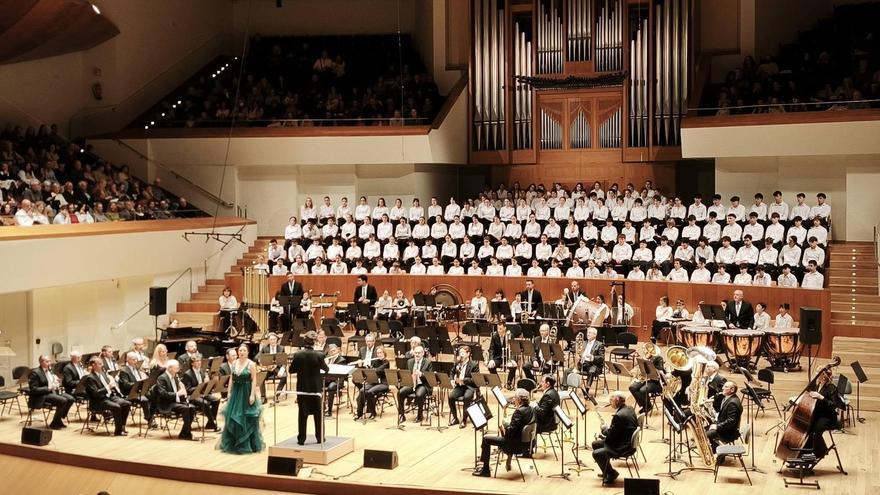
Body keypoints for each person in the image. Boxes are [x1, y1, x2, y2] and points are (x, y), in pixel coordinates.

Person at [473, 388, 535, 477]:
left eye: (515, 398)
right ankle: (483, 465)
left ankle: (485, 469)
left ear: (519, 400)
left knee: (486, 439)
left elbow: (510, 433)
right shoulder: (530, 409)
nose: (514, 400)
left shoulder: (519, 412)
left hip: (514, 445)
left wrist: (505, 425)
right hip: (526, 444)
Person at [218, 345, 264, 453]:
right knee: (233, 416)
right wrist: (229, 392)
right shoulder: (234, 363)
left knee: (246, 417)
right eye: (240, 350)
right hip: (236, 393)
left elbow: (254, 380)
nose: (242, 352)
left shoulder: (251, 364)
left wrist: (252, 394)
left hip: (246, 392)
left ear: (247, 352)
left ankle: (247, 444)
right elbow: (231, 379)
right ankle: (234, 443)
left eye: (244, 350)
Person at [289, 331, 328, 445]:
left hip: (302, 388)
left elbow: (291, 370)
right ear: (314, 343)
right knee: (318, 414)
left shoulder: (298, 355)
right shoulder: (319, 355)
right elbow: (326, 369)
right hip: (315, 388)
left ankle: (301, 439)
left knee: (302, 414)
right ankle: (320, 437)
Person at [592, 391, 639, 485]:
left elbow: (611, 435)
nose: (610, 402)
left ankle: (612, 473)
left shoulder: (619, 416)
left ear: (617, 400)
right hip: (625, 440)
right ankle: (606, 470)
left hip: (622, 447)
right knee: (595, 444)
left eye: (611, 400)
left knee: (596, 454)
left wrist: (604, 429)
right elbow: (617, 431)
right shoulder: (629, 408)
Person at [83, 356, 131, 436]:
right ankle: (118, 431)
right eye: (100, 364)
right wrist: (108, 387)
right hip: (98, 401)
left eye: (102, 363)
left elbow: (108, 386)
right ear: (93, 365)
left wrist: (113, 387)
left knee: (127, 403)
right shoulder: (90, 378)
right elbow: (95, 394)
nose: (102, 365)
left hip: (109, 397)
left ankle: (122, 427)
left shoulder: (102, 373)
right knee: (117, 407)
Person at [154, 359, 198, 441]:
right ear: (170, 368)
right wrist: (178, 394)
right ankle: (187, 434)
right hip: (166, 404)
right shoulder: (162, 378)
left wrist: (183, 393)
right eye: (176, 368)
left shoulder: (175, 377)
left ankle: (184, 433)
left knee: (192, 407)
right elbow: (163, 394)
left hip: (175, 402)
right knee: (186, 408)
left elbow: (178, 392)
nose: (179, 369)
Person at [28, 355, 74, 429]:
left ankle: (59, 418)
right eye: (47, 361)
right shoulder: (35, 373)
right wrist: (48, 388)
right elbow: (34, 389)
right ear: (41, 362)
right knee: (63, 400)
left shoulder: (50, 370)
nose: (49, 363)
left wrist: (56, 381)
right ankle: (55, 423)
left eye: (49, 361)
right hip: (42, 395)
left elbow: (51, 381)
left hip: (53, 392)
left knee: (71, 399)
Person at [181, 353, 220, 432]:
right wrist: (200, 386)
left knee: (216, 400)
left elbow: (204, 386)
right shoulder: (187, 374)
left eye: (200, 361)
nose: (199, 363)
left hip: (201, 393)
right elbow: (188, 390)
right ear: (192, 363)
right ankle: (213, 424)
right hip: (192, 396)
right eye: (197, 361)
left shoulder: (202, 371)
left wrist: (207, 383)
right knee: (205, 403)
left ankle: (209, 423)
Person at [397, 345, 432, 423]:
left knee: (419, 395)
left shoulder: (428, 362)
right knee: (400, 392)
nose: (417, 355)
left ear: (423, 353)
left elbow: (430, 378)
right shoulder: (410, 361)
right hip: (411, 384)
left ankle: (420, 415)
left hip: (422, 384)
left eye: (419, 353)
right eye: (415, 353)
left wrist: (421, 374)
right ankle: (401, 415)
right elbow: (406, 374)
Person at [448, 345, 479, 428]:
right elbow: (452, 372)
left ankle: (464, 419)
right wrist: (451, 380)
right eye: (460, 353)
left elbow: (475, 380)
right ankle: (455, 418)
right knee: (451, 396)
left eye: (463, 353)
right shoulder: (458, 363)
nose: (461, 355)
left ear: (468, 354)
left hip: (470, 387)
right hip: (459, 387)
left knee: (467, 397)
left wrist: (463, 380)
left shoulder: (474, 365)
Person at [355, 346, 390, 420]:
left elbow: (378, 370)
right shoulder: (375, 361)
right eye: (377, 353)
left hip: (383, 384)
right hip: (374, 382)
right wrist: (362, 365)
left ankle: (372, 412)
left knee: (369, 392)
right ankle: (359, 413)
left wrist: (371, 368)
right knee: (362, 390)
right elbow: (369, 372)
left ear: (384, 353)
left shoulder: (386, 362)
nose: (379, 354)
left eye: (380, 353)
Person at [707, 381, 742, 450]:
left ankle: (718, 454)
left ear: (732, 390)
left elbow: (731, 421)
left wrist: (717, 426)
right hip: (723, 426)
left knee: (705, 435)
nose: (722, 388)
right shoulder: (727, 398)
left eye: (726, 387)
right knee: (703, 429)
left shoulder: (733, 403)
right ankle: (712, 450)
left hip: (727, 432)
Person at [629, 344, 664, 414]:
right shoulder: (645, 358)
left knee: (642, 390)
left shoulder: (658, 358)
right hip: (646, 379)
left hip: (656, 382)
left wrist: (650, 363)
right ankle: (646, 405)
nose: (647, 352)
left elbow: (660, 371)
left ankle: (647, 406)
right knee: (632, 387)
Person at [258, 333, 288, 402]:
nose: (273, 341)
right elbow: (258, 357)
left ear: (277, 340)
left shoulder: (281, 348)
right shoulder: (265, 348)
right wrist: (260, 360)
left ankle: (277, 395)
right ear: (268, 340)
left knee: (284, 376)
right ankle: (263, 397)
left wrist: (282, 369)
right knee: (261, 377)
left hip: (277, 368)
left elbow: (284, 360)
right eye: (271, 340)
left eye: (274, 339)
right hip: (268, 368)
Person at [488, 321, 516, 389]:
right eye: (498, 328)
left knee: (513, 367)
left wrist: (512, 360)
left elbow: (513, 349)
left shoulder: (510, 336)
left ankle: (509, 383)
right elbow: (491, 349)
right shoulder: (494, 336)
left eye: (500, 328)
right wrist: (491, 360)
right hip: (498, 358)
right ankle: (498, 383)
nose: (499, 330)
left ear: (505, 328)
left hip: (508, 357)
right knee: (490, 367)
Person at [322, 344, 346, 416]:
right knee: (318, 384)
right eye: (331, 351)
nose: (333, 353)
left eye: (334, 351)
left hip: (337, 380)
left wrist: (328, 365)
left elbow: (338, 373)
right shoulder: (328, 359)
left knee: (331, 387)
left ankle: (329, 410)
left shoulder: (341, 360)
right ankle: (322, 407)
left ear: (338, 350)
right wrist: (325, 364)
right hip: (328, 379)